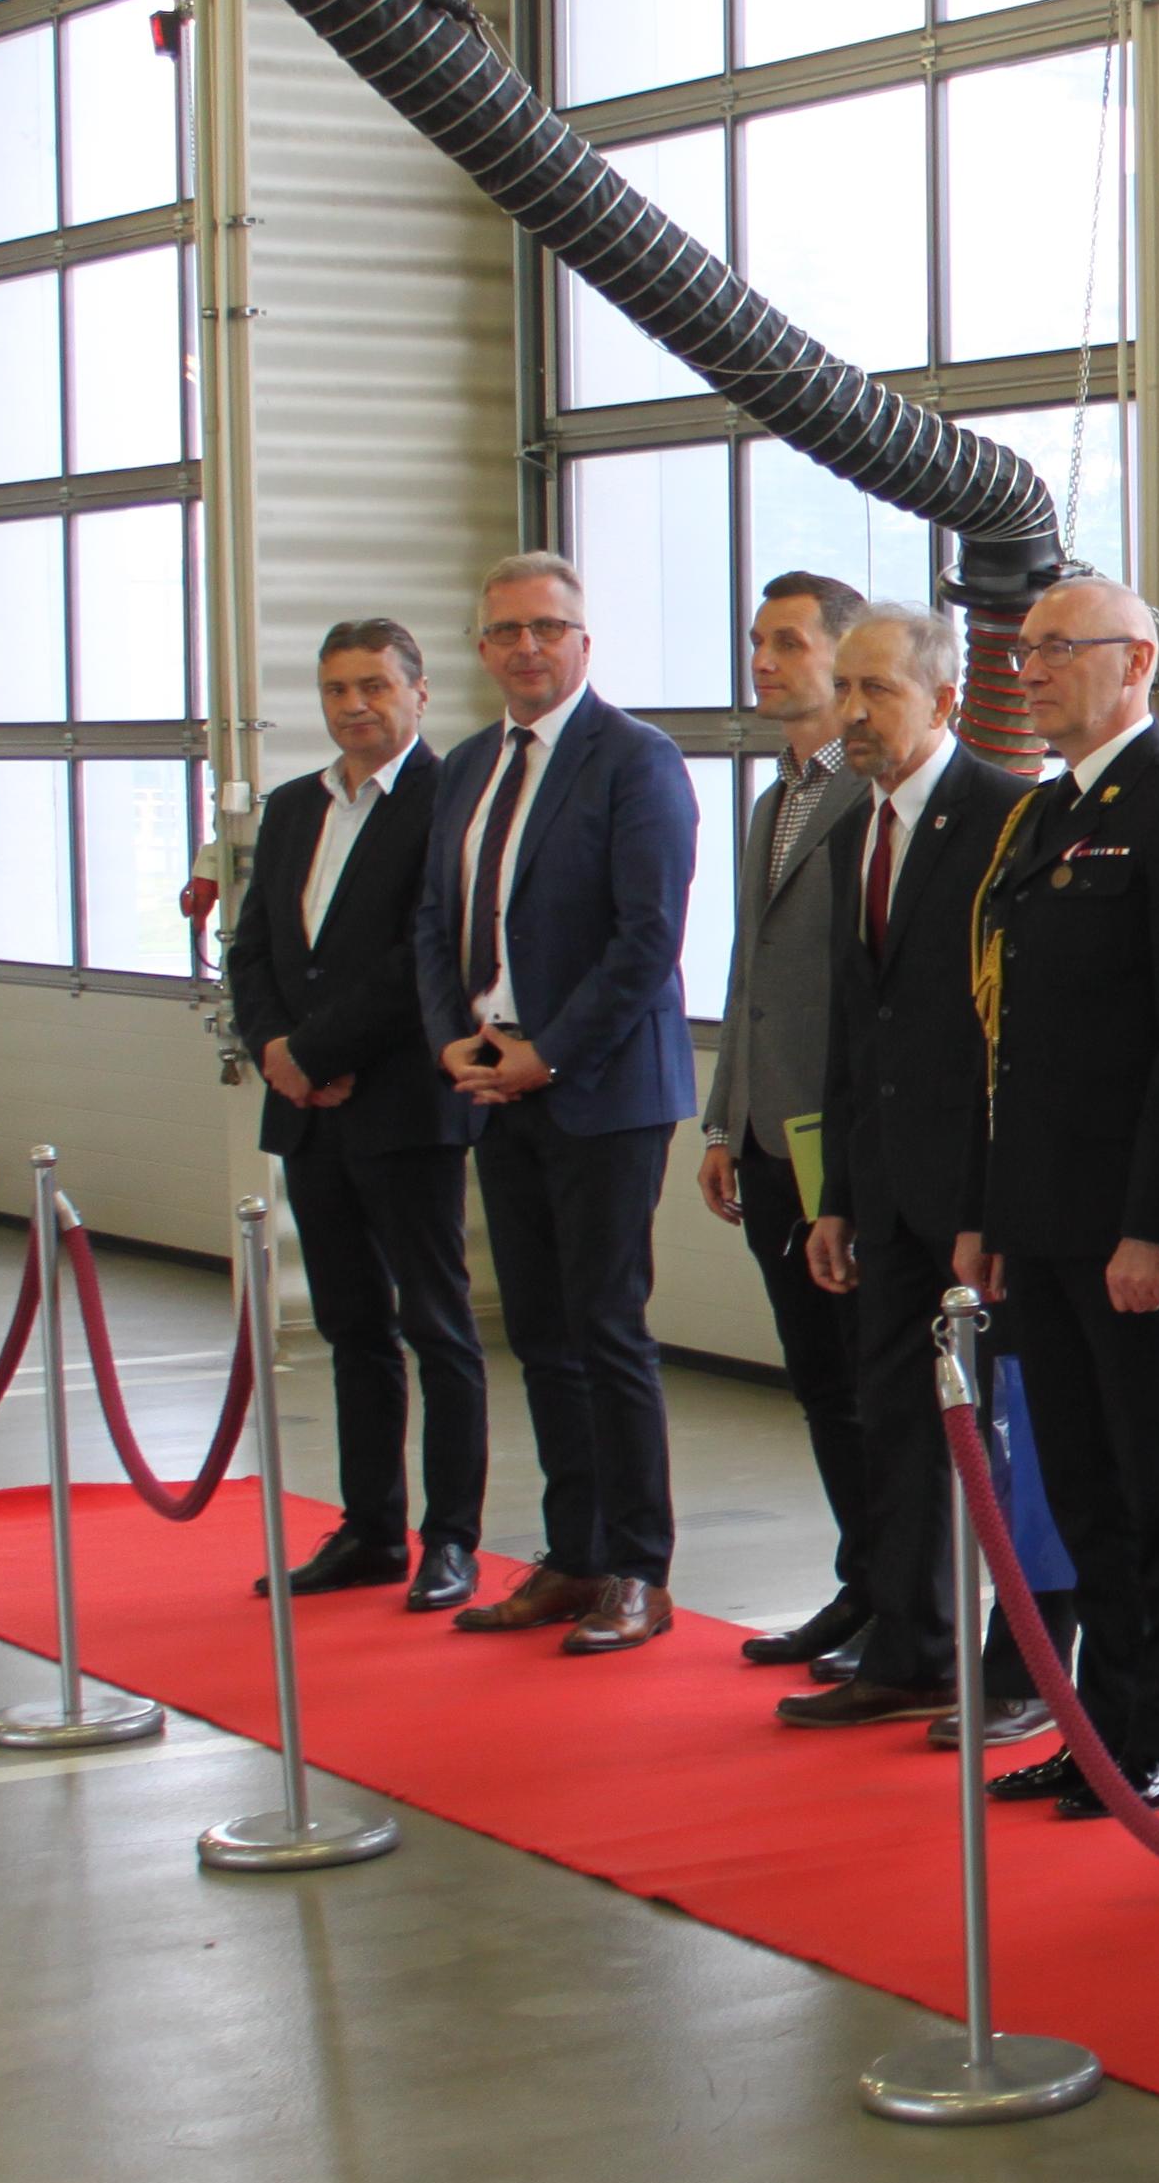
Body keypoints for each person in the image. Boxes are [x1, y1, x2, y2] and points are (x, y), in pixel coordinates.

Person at [967, 577, 1159, 1819]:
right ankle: (1103, 1726)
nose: (1030, 671)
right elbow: (1007, 1041)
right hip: (1042, 1215)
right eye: (1025, 651)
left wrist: (1152, 1221)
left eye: (1058, 650)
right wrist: (991, 1213)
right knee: (1080, 1487)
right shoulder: (1040, 817)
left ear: (1135, 663)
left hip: (1132, 1222)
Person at [408, 551, 701, 1657]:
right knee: (538, 1332)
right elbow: (435, 920)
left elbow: (647, 939)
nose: (526, 647)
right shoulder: (468, 765)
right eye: (505, 631)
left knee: (606, 1328)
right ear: (481, 648)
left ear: (584, 641)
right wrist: (452, 1034)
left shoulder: (637, 760)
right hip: (493, 1082)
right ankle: (572, 1553)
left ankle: (638, 1568)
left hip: (604, 1091)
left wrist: (551, 1054)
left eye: (546, 627)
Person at [785, 606, 1031, 1737]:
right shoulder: (857, 824)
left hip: (976, 1189)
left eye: (876, 690)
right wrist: (835, 1196)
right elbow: (856, 1027)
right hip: (884, 1190)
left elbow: (1008, 1040)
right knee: (896, 1422)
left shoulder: (1005, 816)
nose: (852, 712)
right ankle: (912, 1649)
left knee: (1003, 1437)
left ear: (944, 700)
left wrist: (987, 1204)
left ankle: (1023, 1667)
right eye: (844, 688)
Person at [224, 617, 487, 1617]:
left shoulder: (449, 801)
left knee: (438, 1326)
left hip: (404, 1104)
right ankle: (371, 1529)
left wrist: (318, 1053)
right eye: (337, 689)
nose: (355, 706)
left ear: (419, 692)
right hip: (308, 1111)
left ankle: (450, 1539)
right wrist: (276, 1051)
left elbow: (426, 954)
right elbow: (254, 947)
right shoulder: (296, 806)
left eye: (375, 685)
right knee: (350, 1327)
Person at [695, 571, 877, 1675]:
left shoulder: (872, 791)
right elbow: (749, 972)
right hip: (770, 1136)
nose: (762, 661)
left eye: (788, 643)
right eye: (757, 641)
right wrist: (724, 1120)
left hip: (843, 1142)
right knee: (820, 1383)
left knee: (869, 1383)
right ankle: (863, 1583)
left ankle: (905, 1596)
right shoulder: (776, 801)